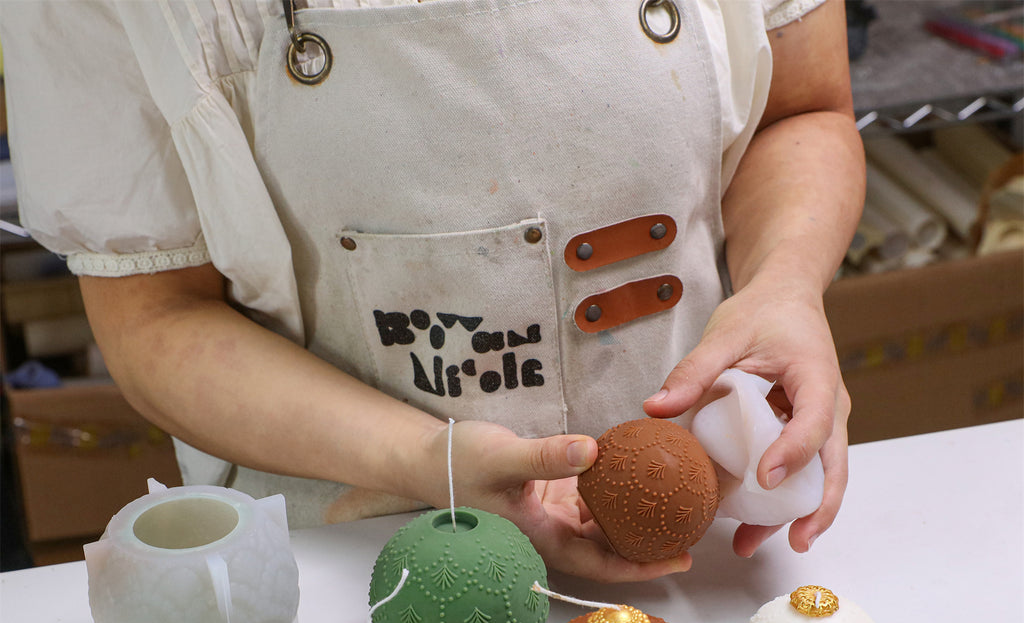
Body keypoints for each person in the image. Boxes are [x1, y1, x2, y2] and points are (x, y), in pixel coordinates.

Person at [1, 0, 864, 582]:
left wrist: (785, 283)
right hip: (361, 569)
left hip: (701, 544)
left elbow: (802, 109)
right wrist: (426, 459)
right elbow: (154, 311)